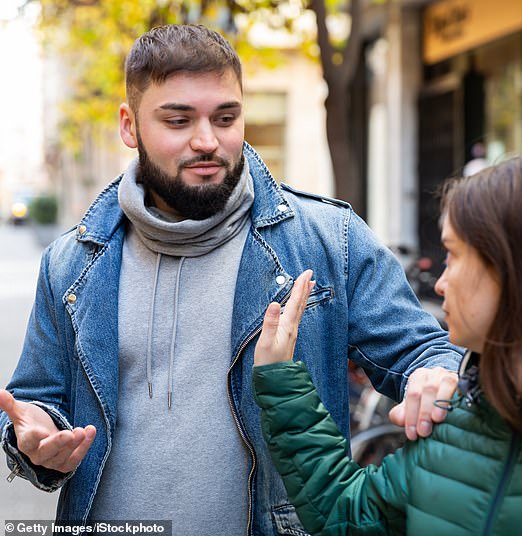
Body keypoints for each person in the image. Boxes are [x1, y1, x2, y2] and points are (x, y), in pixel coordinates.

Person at [0, 24, 462, 533]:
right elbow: (35, 403)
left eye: (226, 118)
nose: (207, 141)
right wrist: (38, 443)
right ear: (129, 127)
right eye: (178, 120)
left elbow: (427, 353)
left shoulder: (331, 241)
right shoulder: (71, 262)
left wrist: (433, 374)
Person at [252, 146, 522, 535]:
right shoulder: (462, 422)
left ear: (520, 271)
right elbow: (346, 515)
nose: (439, 282)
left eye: (452, 255)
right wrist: (282, 382)